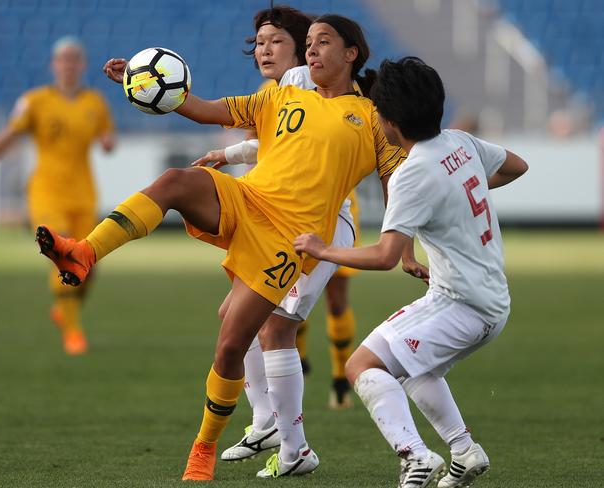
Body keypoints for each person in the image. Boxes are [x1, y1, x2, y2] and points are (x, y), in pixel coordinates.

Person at [37, 14, 408, 481]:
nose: (310, 50)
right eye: (308, 42)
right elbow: (205, 108)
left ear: (351, 53)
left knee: (233, 343)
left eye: (322, 42)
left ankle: (205, 449)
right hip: (247, 199)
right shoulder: (282, 93)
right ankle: (83, 253)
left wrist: (405, 247)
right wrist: (144, 81)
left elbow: (400, 182)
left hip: (290, 239)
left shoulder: (372, 117)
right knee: (175, 182)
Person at [294, 57, 528, 488]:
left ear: (386, 121)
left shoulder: (411, 173)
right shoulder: (461, 142)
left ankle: (416, 457)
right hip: (488, 298)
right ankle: (464, 450)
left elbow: (385, 256)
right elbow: (517, 166)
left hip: (463, 305)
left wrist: (323, 249)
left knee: (362, 365)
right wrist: (456, 192)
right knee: (414, 368)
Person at [190, 6, 367, 473]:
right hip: (273, 221)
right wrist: (229, 152)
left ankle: (291, 445)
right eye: (261, 43)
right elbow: (272, 139)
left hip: (316, 225)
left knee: (273, 326)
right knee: (233, 316)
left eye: (278, 42)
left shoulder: (323, 84)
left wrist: (228, 151)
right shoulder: (283, 90)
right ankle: (273, 426)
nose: (265, 51)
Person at [0, 37, 115, 355]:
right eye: (63, 60)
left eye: (74, 60)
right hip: (46, 194)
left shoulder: (95, 103)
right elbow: (6, 138)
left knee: (90, 267)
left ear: (82, 65)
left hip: (83, 195)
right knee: (64, 254)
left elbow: (107, 137)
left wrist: (108, 141)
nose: (68, 65)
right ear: (54, 65)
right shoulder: (35, 102)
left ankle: (64, 309)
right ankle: (72, 333)